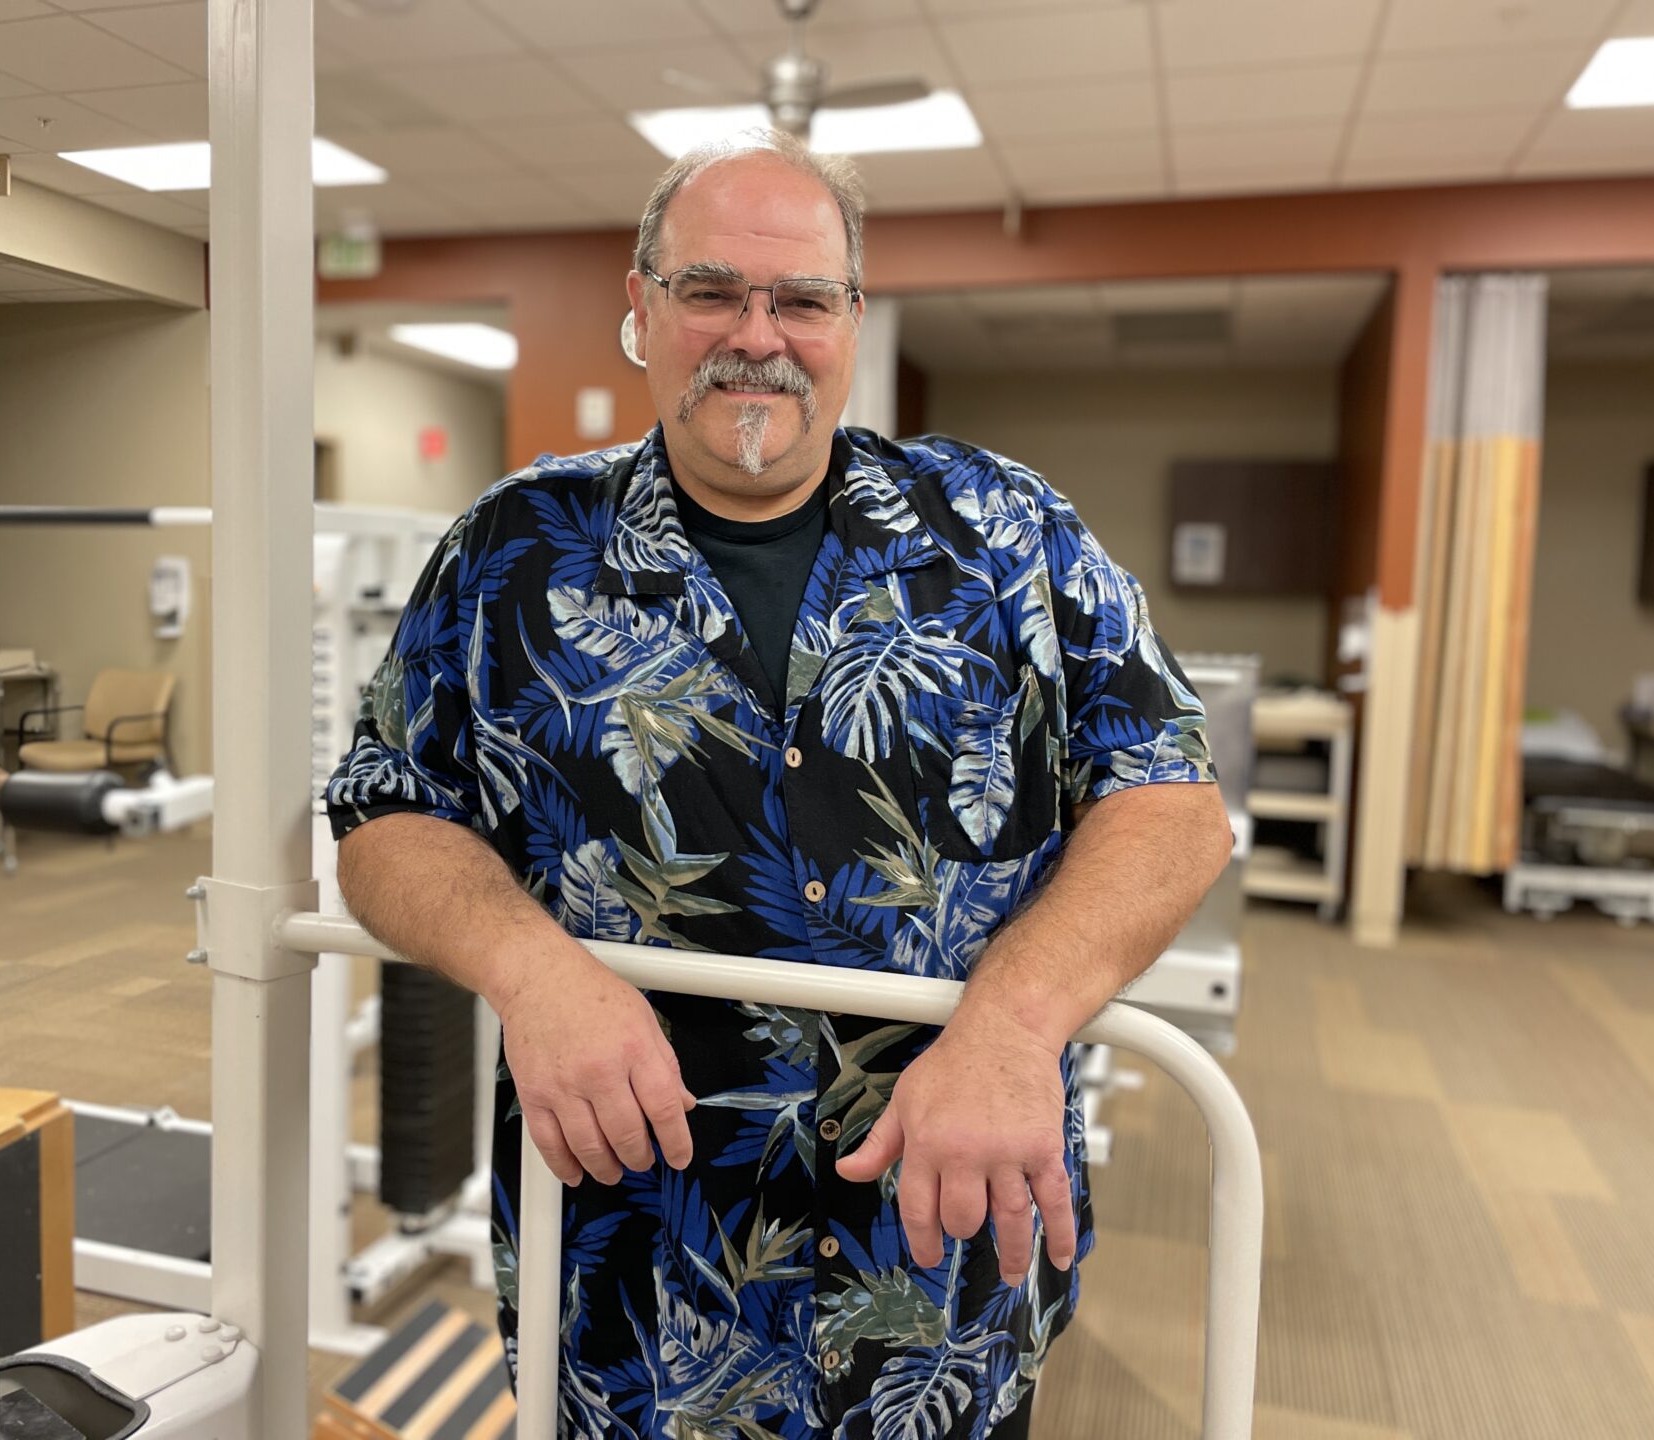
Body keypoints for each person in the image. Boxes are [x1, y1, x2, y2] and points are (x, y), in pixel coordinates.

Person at [328, 130, 1232, 1440]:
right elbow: (384, 811)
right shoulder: (513, 550)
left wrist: (1017, 1020)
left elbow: (1171, 802)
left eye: (802, 299)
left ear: (851, 322)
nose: (759, 335)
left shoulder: (1007, 532)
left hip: (934, 1289)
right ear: (640, 311)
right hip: (639, 1295)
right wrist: (529, 970)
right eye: (711, 292)